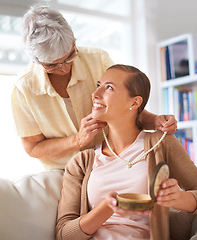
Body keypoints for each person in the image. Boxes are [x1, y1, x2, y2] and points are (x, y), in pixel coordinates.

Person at [11, 4, 177, 170]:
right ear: (37, 61)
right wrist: (77, 140)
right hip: (65, 171)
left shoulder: (98, 59)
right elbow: (33, 147)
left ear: (74, 39)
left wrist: (155, 121)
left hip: (111, 161)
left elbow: (125, 108)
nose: (65, 68)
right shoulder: (24, 89)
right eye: (52, 65)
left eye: (70, 56)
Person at [56, 64, 197, 240]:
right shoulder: (81, 163)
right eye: (98, 85)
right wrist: (107, 207)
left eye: (108, 87)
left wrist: (178, 198)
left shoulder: (161, 144)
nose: (95, 94)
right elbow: (64, 234)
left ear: (135, 102)